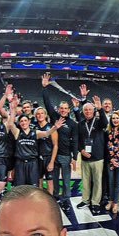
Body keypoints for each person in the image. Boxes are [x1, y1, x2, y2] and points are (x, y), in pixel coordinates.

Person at [8, 96, 64, 187]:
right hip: (20, 163)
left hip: (33, 163)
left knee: (34, 187)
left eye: (25, 120)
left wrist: (55, 127)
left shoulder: (36, 132)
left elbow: (46, 133)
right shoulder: (17, 132)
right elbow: (10, 124)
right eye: (21, 121)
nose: (23, 122)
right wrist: (13, 108)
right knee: (20, 187)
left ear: (29, 122)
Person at [41, 74, 78, 203]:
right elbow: (47, 104)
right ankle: (56, 196)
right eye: (61, 108)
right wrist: (45, 88)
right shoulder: (54, 117)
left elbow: (75, 142)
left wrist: (74, 158)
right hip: (53, 154)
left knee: (66, 179)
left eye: (65, 109)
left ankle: (66, 198)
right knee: (55, 178)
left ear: (69, 110)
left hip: (66, 155)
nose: (63, 110)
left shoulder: (73, 124)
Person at [77, 96, 108, 215]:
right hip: (85, 158)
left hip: (98, 158)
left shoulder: (99, 121)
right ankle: (85, 200)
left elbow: (105, 123)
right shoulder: (80, 124)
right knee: (85, 181)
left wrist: (100, 109)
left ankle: (95, 202)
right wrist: (81, 150)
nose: (88, 112)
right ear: (83, 112)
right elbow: (78, 140)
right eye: (86, 110)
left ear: (93, 111)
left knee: (97, 182)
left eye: (90, 110)